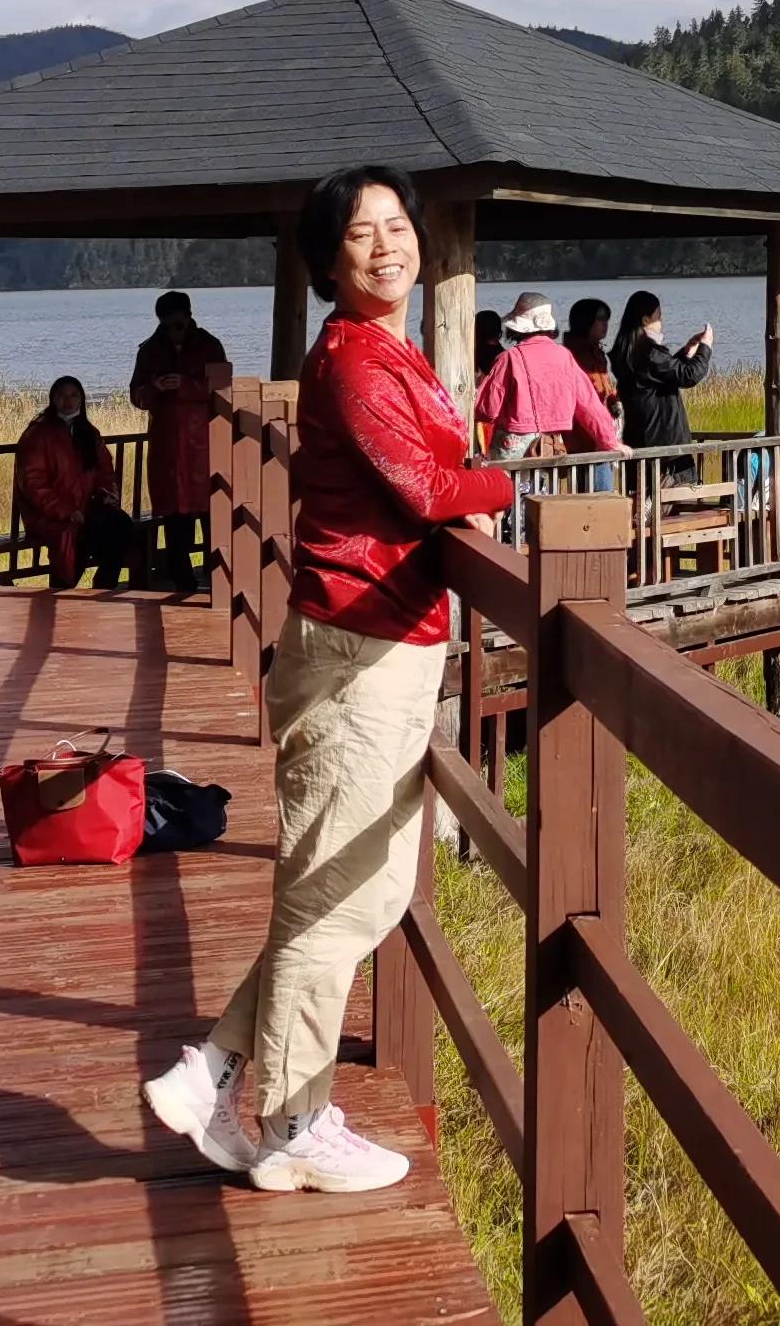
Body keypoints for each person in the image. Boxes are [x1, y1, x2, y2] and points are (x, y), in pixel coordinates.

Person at [143, 165, 512, 1194]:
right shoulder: (353, 359)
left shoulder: (386, 348)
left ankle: (211, 1070)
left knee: (346, 891)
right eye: (362, 235)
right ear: (327, 263)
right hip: (357, 649)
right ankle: (295, 1125)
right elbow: (426, 486)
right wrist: (507, 479)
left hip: (380, 642)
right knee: (342, 901)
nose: (388, 245)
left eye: (399, 226)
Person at [129, 290, 226, 588]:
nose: (174, 329)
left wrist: (186, 385)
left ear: (188, 316)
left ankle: (220, 585)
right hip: (168, 451)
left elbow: (224, 390)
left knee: (215, 519)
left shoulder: (210, 346)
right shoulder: (149, 351)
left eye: (179, 323)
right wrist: (156, 387)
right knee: (175, 524)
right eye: (168, 324)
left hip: (206, 447)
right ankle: (184, 588)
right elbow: (137, 396)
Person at [13, 377, 138, 592]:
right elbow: (33, 484)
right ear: (53, 399)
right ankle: (62, 591)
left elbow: (105, 471)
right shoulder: (38, 434)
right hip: (49, 514)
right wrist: (65, 510)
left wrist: (106, 494)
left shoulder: (88, 433)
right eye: (62, 395)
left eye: (74, 395)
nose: (68, 401)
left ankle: (105, 587)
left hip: (86, 507)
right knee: (80, 532)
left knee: (121, 525)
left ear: (81, 399)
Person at [476, 291, 620, 466]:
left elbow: (487, 409)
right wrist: (610, 442)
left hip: (512, 447)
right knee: (545, 492)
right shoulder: (564, 356)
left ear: (517, 326)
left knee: (508, 492)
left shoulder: (510, 358)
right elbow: (590, 406)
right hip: (551, 445)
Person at [610, 290, 715, 452]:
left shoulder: (627, 353)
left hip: (639, 441)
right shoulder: (648, 352)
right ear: (645, 319)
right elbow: (689, 375)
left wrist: (686, 352)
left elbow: (662, 374)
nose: (661, 322)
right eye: (658, 317)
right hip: (666, 447)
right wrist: (705, 347)